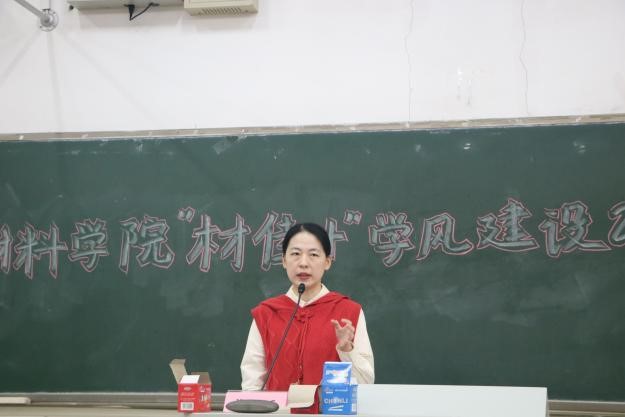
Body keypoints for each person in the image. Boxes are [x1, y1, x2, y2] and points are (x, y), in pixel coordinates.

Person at [240, 222, 375, 413]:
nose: (303, 263)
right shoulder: (267, 313)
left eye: (313, 255)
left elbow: (366, 382)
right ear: (284, 261)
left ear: (327, 262)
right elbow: (252, 379)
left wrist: (347, 350)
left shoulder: (348, 312)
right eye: (295, 254)